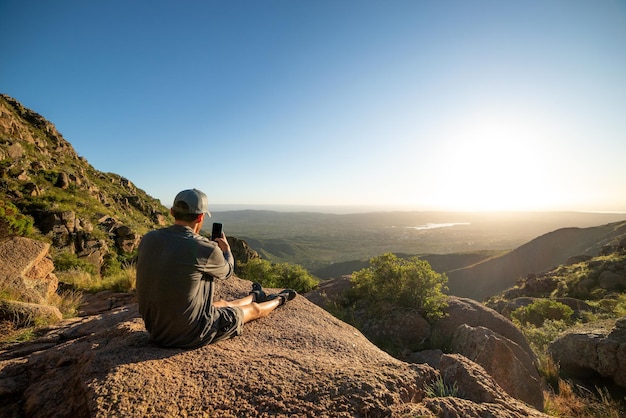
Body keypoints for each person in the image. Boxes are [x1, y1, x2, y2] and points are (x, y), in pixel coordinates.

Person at [136, 188, 296, 348]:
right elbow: (227, 272)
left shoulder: (149, 238)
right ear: (200, 216)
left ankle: (254, 296)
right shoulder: (204, 247)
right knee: (254, 311)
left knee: (221, 304)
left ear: (172, 212)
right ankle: (279, 299)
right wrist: (226, 250)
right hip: (188, 334)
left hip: (155, 330)